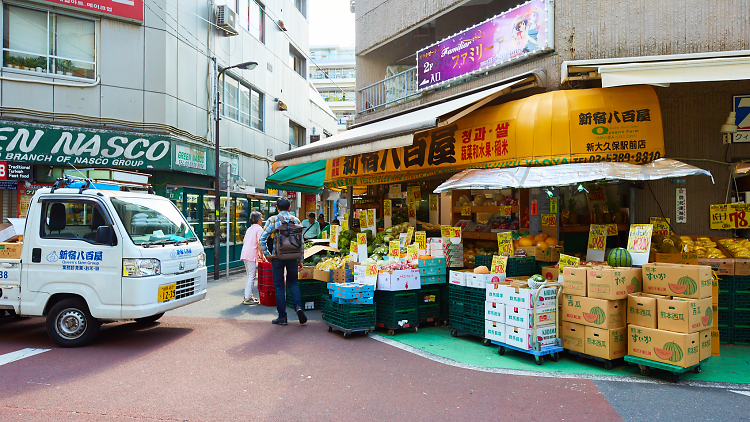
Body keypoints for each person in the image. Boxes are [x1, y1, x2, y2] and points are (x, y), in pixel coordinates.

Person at [259, 198, 307, 326]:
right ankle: (298, 307)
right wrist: (300, 259)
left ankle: (282, 317)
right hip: (293, 257)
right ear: (290, 207)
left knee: (280, 286)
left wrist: (268, 255)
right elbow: (301, 243)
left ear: (277, 208)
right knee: (293, 283)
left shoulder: (273, 220)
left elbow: (262, 239)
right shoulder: (296, 220)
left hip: (278, 257)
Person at [240, 212, 265, 305]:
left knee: (249, 275)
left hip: (245, 253)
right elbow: (259, 243)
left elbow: (244, 241)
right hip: (250, 254)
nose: (262, 220)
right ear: (259, 220)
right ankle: (248, 298)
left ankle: (247, 295)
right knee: (252, 275)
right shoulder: (259, 229)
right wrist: (261, 255)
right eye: (261, 219)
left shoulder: (249, 229)